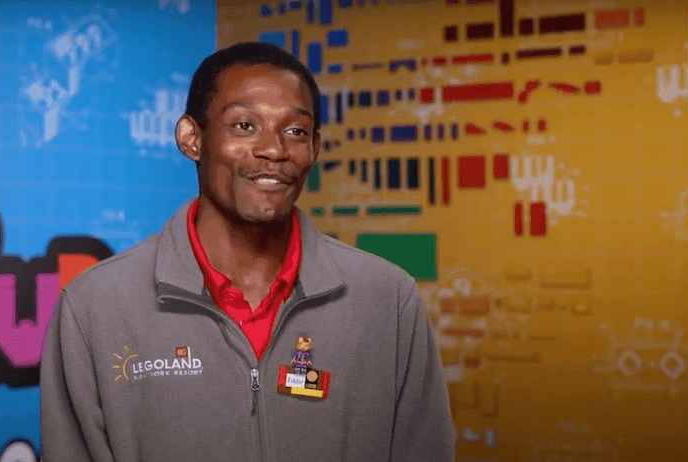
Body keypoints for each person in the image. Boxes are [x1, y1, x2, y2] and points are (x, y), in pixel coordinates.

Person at [40, 42, 454, 461]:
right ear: (191, 138)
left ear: (314, 148)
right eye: (243, 126)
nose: (274, 150)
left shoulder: (387, 300)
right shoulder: (94, 307)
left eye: (294, 131)